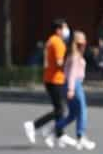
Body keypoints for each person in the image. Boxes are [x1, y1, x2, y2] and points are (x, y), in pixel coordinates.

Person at [23, 19, 69, 147]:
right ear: (58, 29)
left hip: (51, 78)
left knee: (60, 109)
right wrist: (70, 65)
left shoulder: (51, 40)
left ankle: (59, 134)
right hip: (55, 79)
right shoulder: (58, 42)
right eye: (65, 27)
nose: (66, 30)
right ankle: (34, 125)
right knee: (60, 109)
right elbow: (60, 63)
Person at [57, 30, 95, 150]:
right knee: (82, 110)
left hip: (68, 84)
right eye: (83, 39)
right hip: (74, 84)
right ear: (78, 41)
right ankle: (81, 136)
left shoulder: (74, 54)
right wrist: (71, 89)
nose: (85, 41)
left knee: (73, 114)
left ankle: (54, 129)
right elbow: (72, 73)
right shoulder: (75, 56)